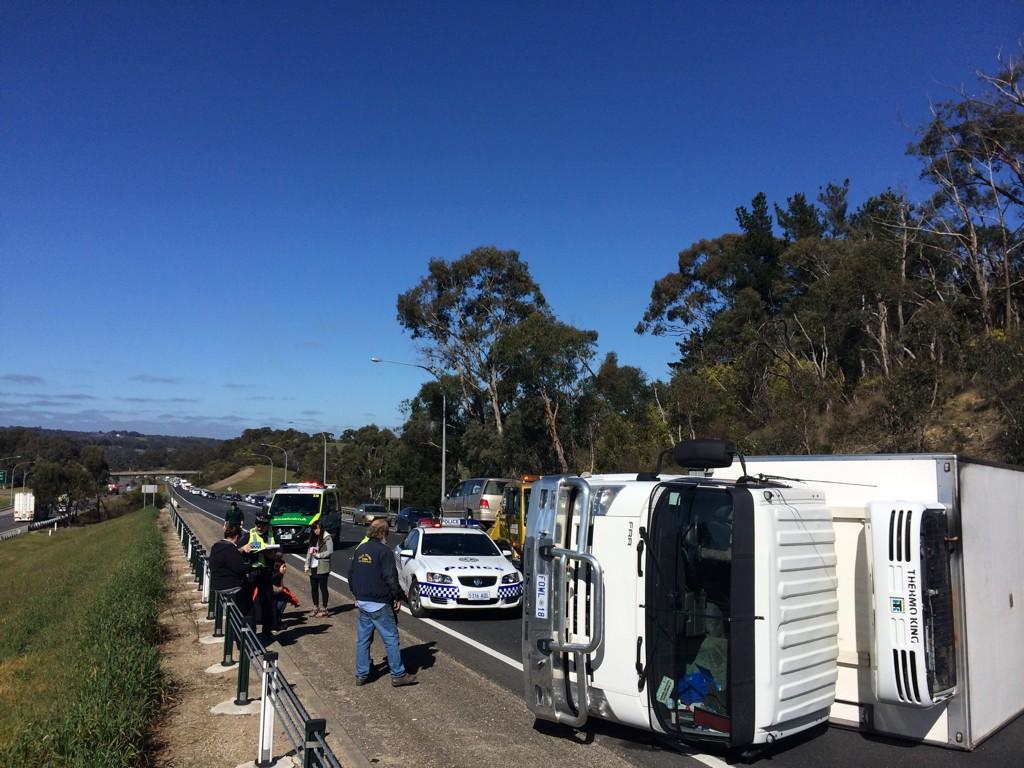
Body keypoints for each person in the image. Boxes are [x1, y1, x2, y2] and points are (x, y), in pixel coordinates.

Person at [347, 518, 417, 687]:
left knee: (363, 640)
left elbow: (351, 575)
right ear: (383, 534)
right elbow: (391, 578)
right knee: (391, 638)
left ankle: (361, 674)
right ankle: (398, 674)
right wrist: (397, 597)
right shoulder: (384, 552)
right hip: (379, 602)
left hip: (363, 602)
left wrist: (356, 594)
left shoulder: (360, 549)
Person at [240, 513, 278, 638]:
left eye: (262, 525)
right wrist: (244, 549)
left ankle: (267, 631)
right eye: (257, 524)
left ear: (268, 525)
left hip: (266, 572)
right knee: (248, 602)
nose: (259, 527)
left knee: (267, 602)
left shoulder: (273, 536)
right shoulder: (249, 535)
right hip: (251, 572)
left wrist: (272, 555)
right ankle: (251, 630)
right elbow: (236, 550)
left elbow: (281, 553)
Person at [209, 526, 254, 620]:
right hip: (230, 586)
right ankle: (245, 625)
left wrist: (240, 550)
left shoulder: (217, 545)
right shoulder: (230, 549)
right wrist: (252, 566)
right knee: (249, 590)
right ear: (237, 537)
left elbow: (227, 558)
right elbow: (240, 568)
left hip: (216, 583)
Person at [304, 521, 334, 618]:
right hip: (313, 566)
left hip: (322, 566)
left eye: (317, 528)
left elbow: (330, 551)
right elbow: (309, 552)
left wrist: (319, 555)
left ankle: (324, 608)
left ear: (321, 528)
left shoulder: (327, 537)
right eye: (314, 529)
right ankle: (315, 607)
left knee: (323, 588)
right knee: (314, 588)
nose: (316, 531)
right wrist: (306, 565)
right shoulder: (313, 538)